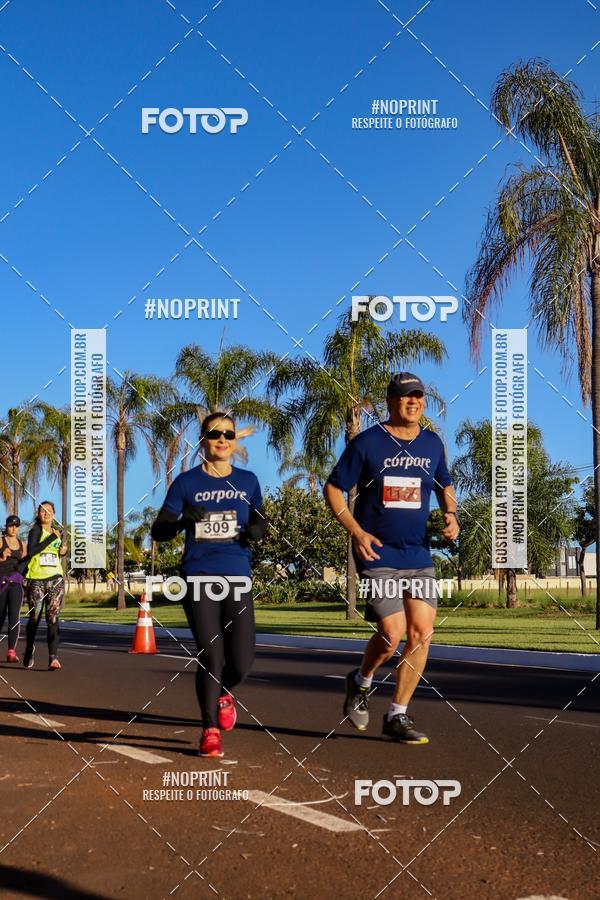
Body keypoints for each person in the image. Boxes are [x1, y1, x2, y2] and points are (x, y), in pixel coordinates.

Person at [324, 372, 459, 744]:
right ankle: (361, 680)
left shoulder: (432, 443)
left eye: (418, 395)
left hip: (417, 552)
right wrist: (356, 531)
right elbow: (334, 488)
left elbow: (444, 482)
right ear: (390, 401)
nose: (413, 401)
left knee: (421, 633)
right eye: (404, 396)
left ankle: (397, 714)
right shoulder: (368, 443)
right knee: (392, 632)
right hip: (377, 551)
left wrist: (451, 512)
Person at [151, 412, 266, 758]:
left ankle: (223, 692)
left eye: (228, 434)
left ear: (234, 441)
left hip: (237, 575)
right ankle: (210, 730)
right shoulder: (186, 483)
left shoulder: (248, 481)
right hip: (199, 576)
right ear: (202, 440)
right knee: (211, 654)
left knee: (242, 662)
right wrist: (182, 519)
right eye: (214, 433)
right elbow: (160, 530)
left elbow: (259, 518)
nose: (221, 439)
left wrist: (258, 530)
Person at [23, 501, 68, 670]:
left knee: (53, 616)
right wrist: (51, 538)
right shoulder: (35, 531)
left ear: (54, 514)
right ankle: (29, 648)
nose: (46, 513)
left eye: (49, 511)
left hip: (55, 578)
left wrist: (64, 551)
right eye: (43, 511)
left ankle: (53, 657)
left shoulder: (58, 532)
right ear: (38, 514)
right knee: (34, 617)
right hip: (37, 579)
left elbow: (58, 551)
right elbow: (32, 551)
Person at [0, 515, 27, 662]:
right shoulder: (1, 541)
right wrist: (1, 556)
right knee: (1, 616)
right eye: (11, 525)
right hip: (1, 583)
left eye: (17, 526)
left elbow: (26, 564)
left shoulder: (23, 545)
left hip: (16, 584)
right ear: (6, 526)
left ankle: (11, 651)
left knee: (14, 617)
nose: (14, 528)